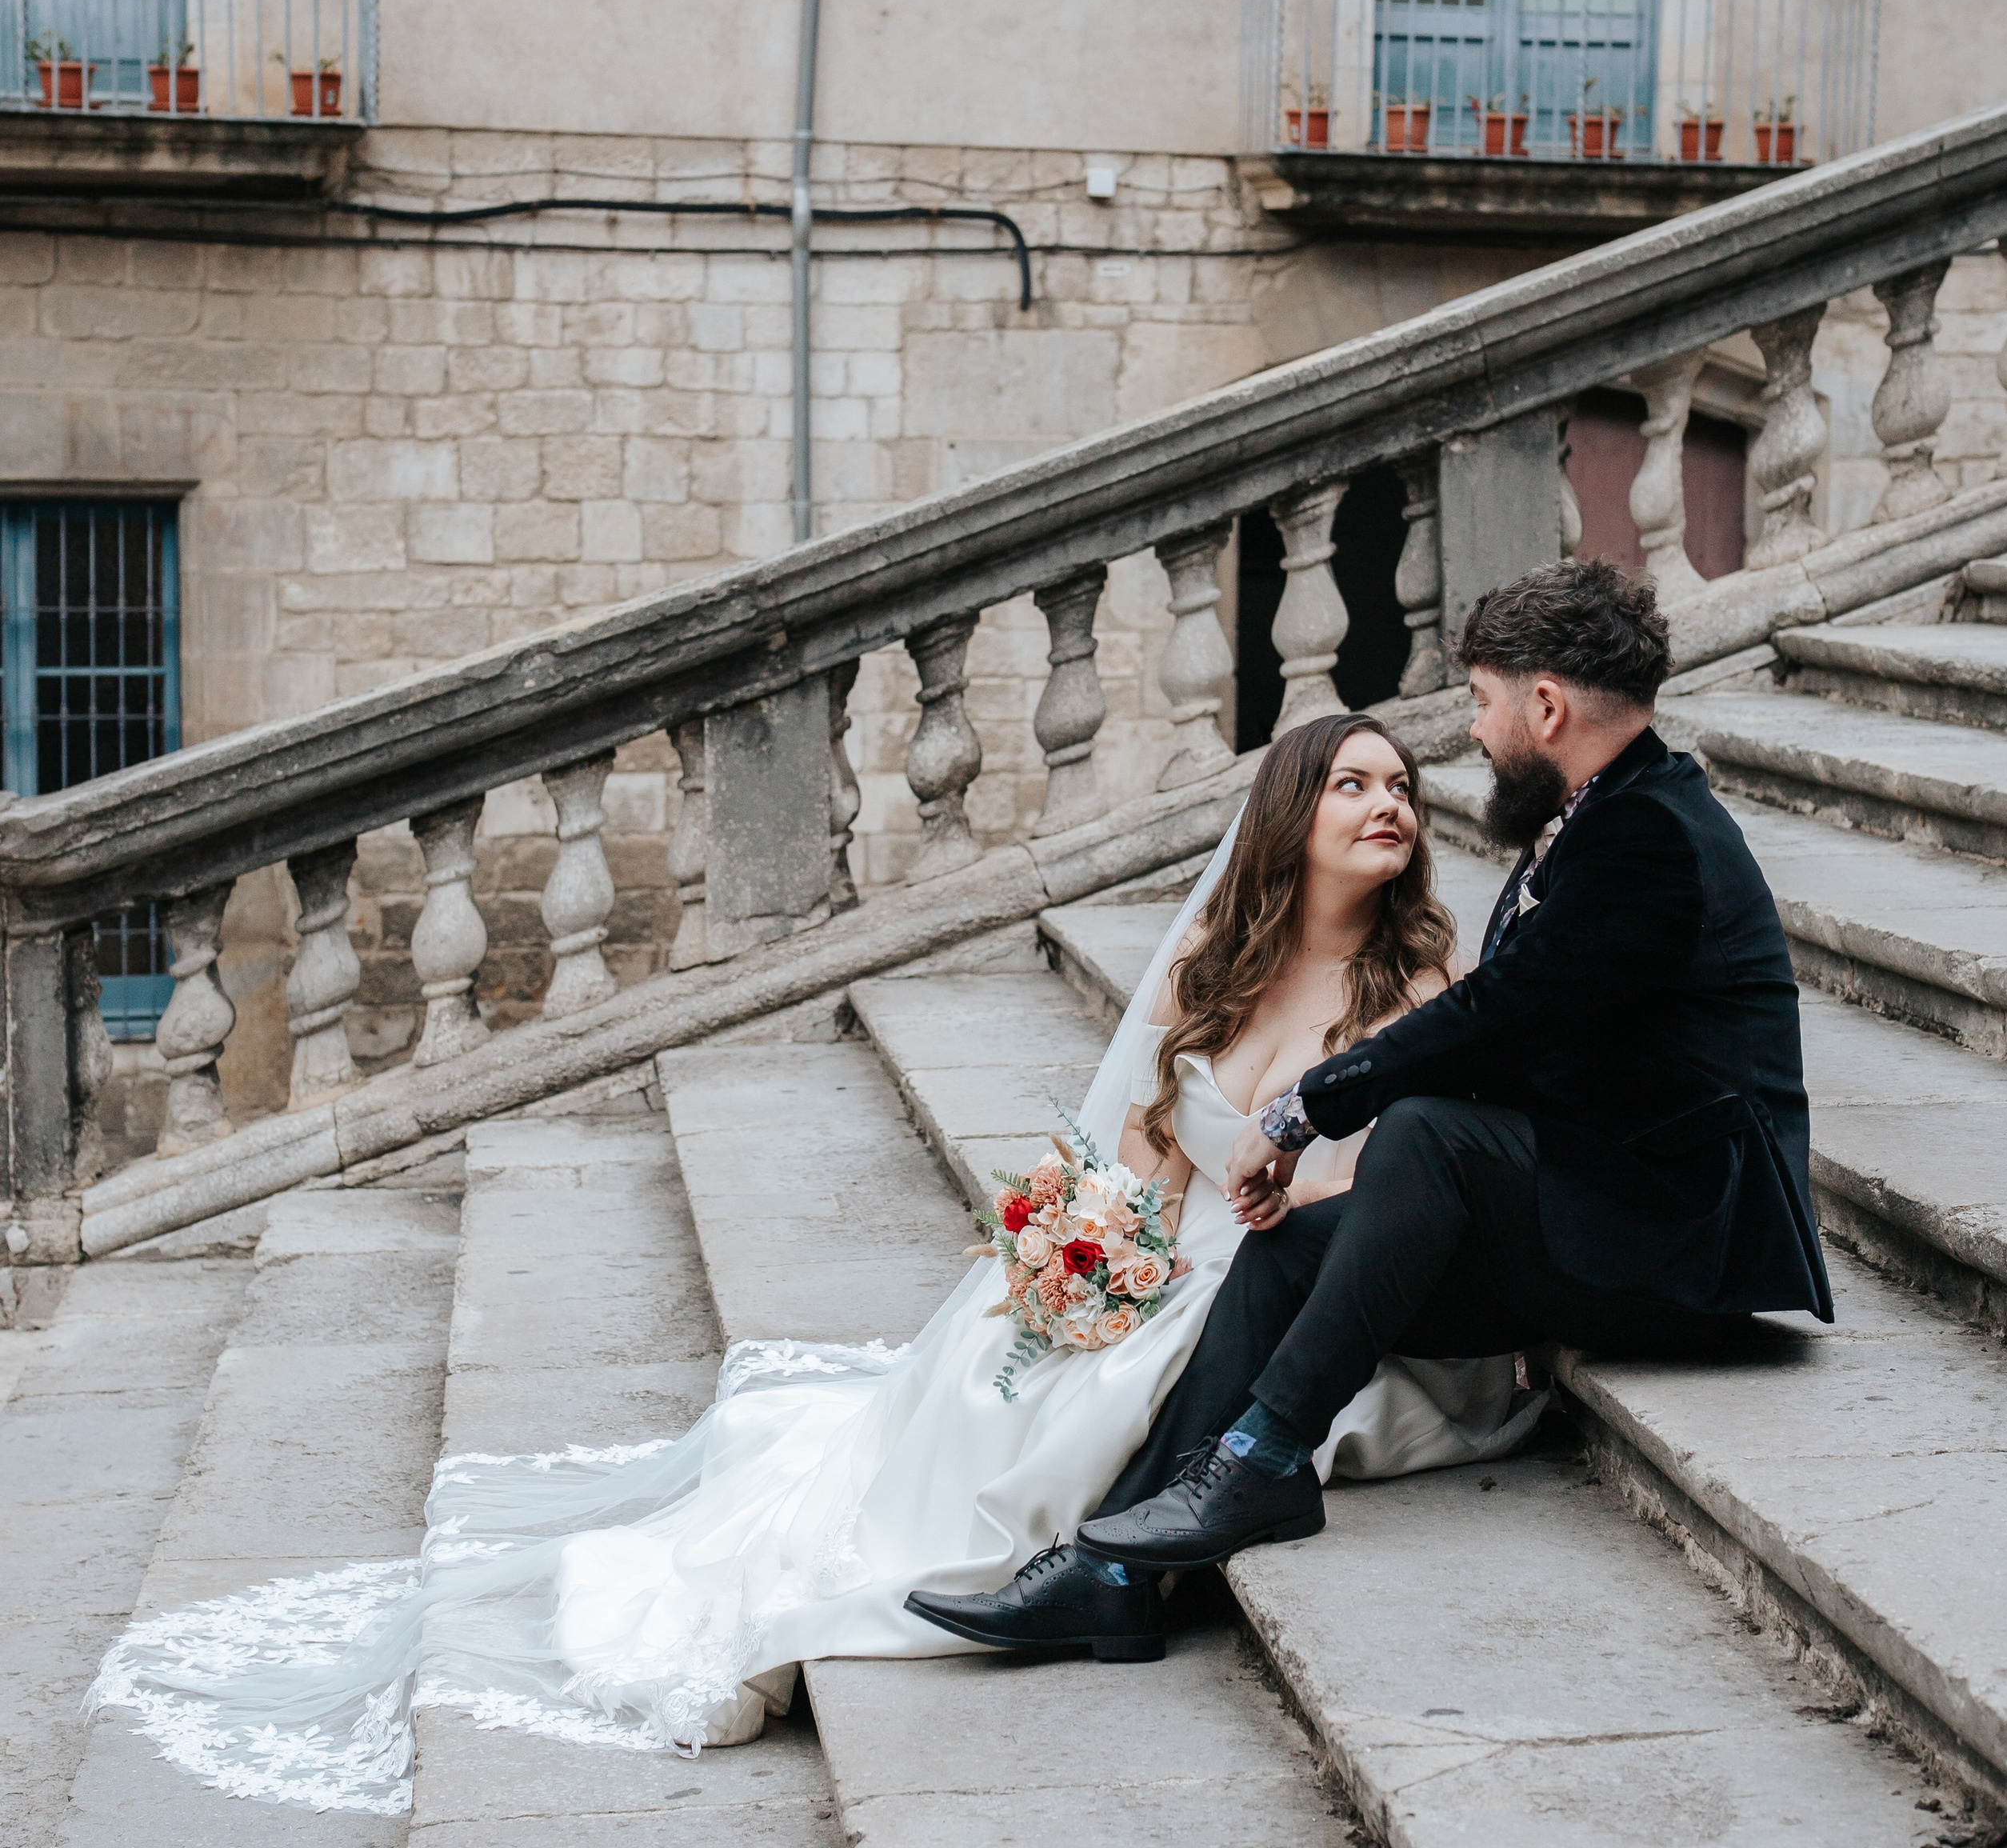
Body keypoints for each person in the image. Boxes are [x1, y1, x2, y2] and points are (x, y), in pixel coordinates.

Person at [85, 710, 1542, 1815]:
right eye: (1352, 783)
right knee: (993, 1352)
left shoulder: (1423, 984)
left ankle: (1088, 1572)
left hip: (1291, 1271)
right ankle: (1020, 1528)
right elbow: (1153, 1145)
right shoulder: (1212, 961)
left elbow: (1371, 1195)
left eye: (1402, 786)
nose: (1388, 804)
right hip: (1186, 1244)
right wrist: (1094, 1248)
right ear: (1287, 817)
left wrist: (1205, 1250)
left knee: (1102, 1388)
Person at [926, 556, 1833, 1658]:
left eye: (1481, 704)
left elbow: (1499, 1014)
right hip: (1612, 1195)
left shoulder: (1651, 836)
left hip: (1688, 1247)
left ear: (1543, 706)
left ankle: (1258, 1462)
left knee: (1427, 1132)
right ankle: (1118, 1571)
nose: (1476, 733)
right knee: (1296, 1244)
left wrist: (1306, 1106)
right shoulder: (1611, 817)